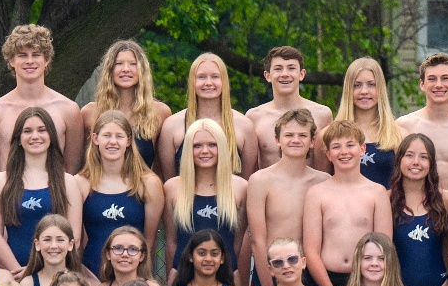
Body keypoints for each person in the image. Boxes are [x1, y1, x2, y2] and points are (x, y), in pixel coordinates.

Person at [0, 106, 86, 271]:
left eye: (42, 130)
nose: (35, 136)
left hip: (56, 273)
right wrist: (20, 273)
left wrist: (46, 271)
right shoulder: (1, 181)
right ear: (19, 138)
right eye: (27, 131)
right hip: (14, 273)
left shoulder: (68, 182)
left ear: (51, 136)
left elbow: (74, 237)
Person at [245, 109, 327, 286]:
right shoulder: (260, 181)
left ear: (312, 141)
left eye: (302, 135)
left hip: (311, 274)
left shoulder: (323, 182)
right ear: (277, 140)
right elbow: (257, 241)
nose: (295, 140)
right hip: (272, 270)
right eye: (289, 135)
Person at [303, 120, 392, 286]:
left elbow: (384, 247)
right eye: (336, 147)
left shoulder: (377, 193)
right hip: (324, 282)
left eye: (350, 145)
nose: (344, 152)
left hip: (366, 282)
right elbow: (311, 251)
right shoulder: (316, 194)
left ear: (362, 149)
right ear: (328, 154)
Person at [0, 24, 85, 163]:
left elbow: (72, 170)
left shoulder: (69, 110)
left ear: (46, 60)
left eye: (36, 55)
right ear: (11, 60)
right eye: (23, 55)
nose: (29, 61)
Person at [79, 110, 164, 278]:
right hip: (91, 276)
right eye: (106, 136)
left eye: (119, 136)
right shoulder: (80, 183)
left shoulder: (148, 184)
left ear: (129, 141)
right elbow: (76, 241)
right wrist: (88, 281)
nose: (113, 142)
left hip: (134, 277)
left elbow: (149, 241)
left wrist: (140, 280)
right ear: (95, 139)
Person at [156, 52, 258, 181]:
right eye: (201, 77)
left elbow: (247, 182)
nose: (208, 83)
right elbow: (168, 180)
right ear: (192, 81)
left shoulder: (244, 126)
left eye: (215, 77)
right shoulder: (171, 126)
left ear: (224, 81)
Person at [166, 119, 246, 279]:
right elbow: (172, 242)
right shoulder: (172, 188)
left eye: (212, 145)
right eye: (197, 145)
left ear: (222, 147)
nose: (204, 151)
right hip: (183, 279)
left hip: (226, 278)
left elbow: (238, 243)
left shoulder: (240, 188)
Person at [397, 53, 448, 195]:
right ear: (422, 84)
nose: (439, 85)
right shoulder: (404, 126)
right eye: (432, 79)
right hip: (417, 208)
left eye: (445, 78)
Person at [85, 39, 171, 171]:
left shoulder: (160, 112)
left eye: (133, 64)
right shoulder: (89, 112)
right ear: (109, 69)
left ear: (142, 69)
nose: (126, 69)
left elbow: (161, 170)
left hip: (143, 183)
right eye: (119, 63)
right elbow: (82, 167)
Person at [244, 46, 334, 169]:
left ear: (301, 74)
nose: (285, 74)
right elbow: (249, 171)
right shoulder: (254, 117)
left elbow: (330, 164)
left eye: (291, 68)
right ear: (267, 75)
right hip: (270, 181)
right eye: (278, 69)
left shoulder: (322, 114)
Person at [389, 133, 448, 286]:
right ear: (399, 160)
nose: (416, 162)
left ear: (431, 163)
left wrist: (444, 281)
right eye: (409, 155)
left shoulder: (445, 200)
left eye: (424, 157)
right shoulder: (386, 200)